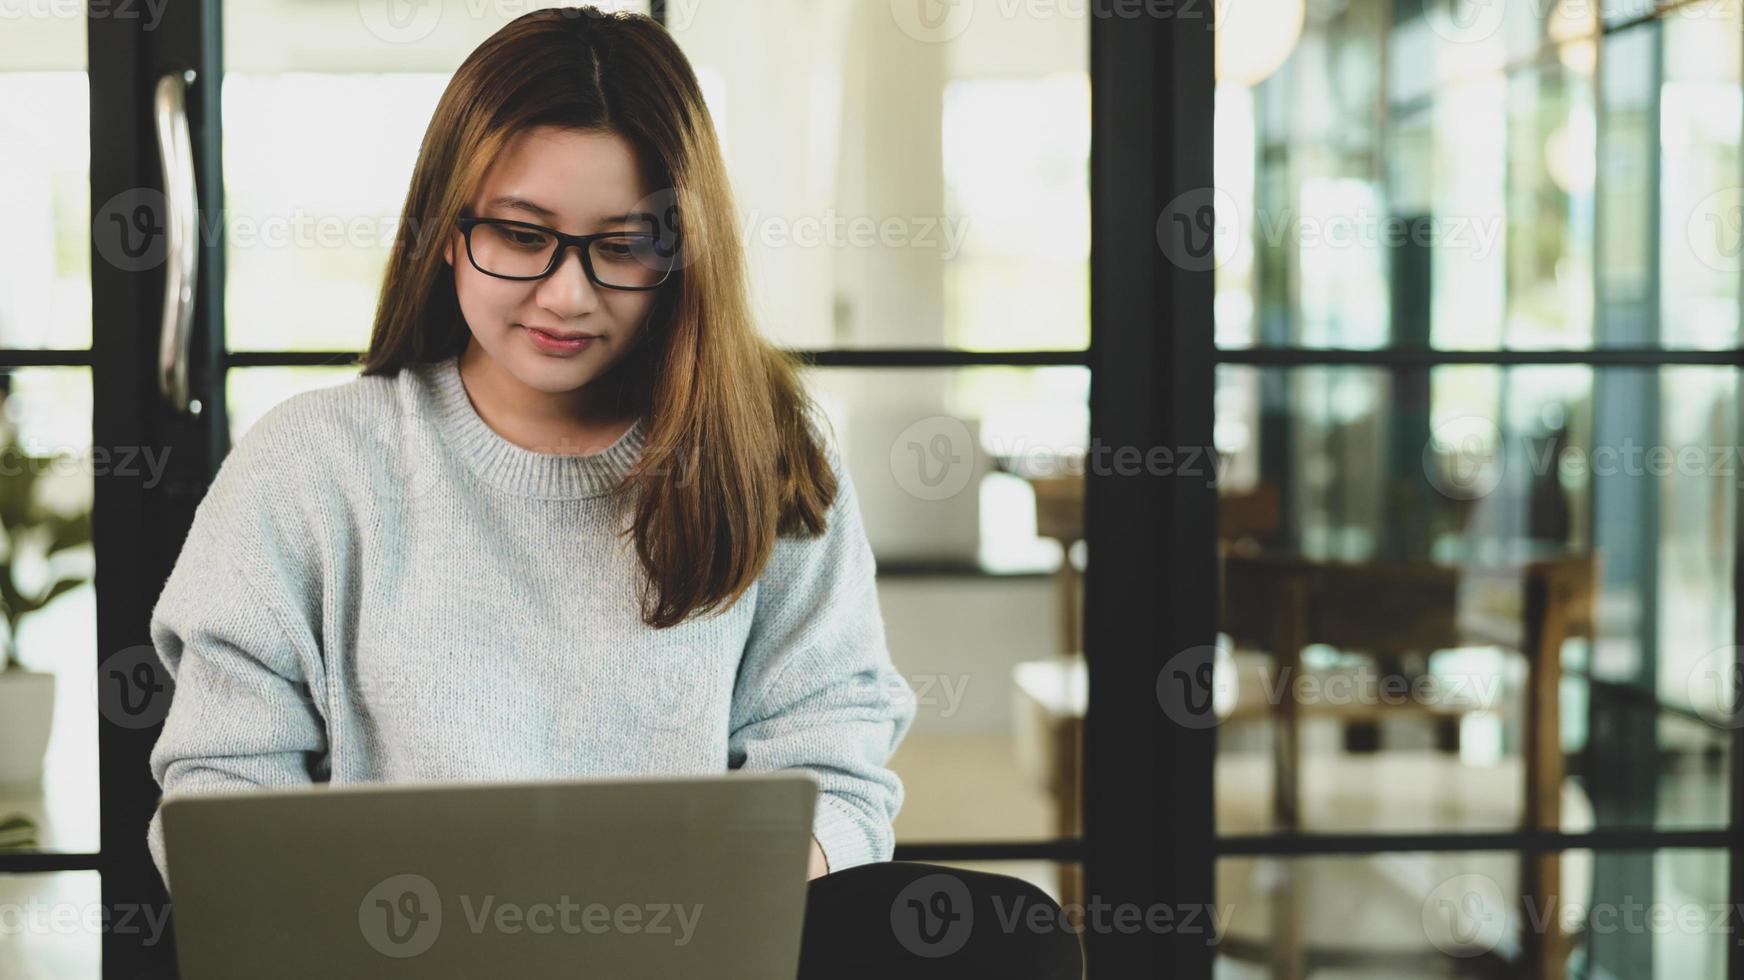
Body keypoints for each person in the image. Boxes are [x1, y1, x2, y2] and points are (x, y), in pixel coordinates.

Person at [143, 7, 1082, 978]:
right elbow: (223, 795)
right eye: (521, 233)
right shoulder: (311, 464)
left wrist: (714, 919)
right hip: (392, 959)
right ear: (446, 227)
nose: (567, 295)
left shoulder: (762, 456)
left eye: (625, 244)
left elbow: (833, 767)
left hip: (696, 955)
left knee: (1006, 932)